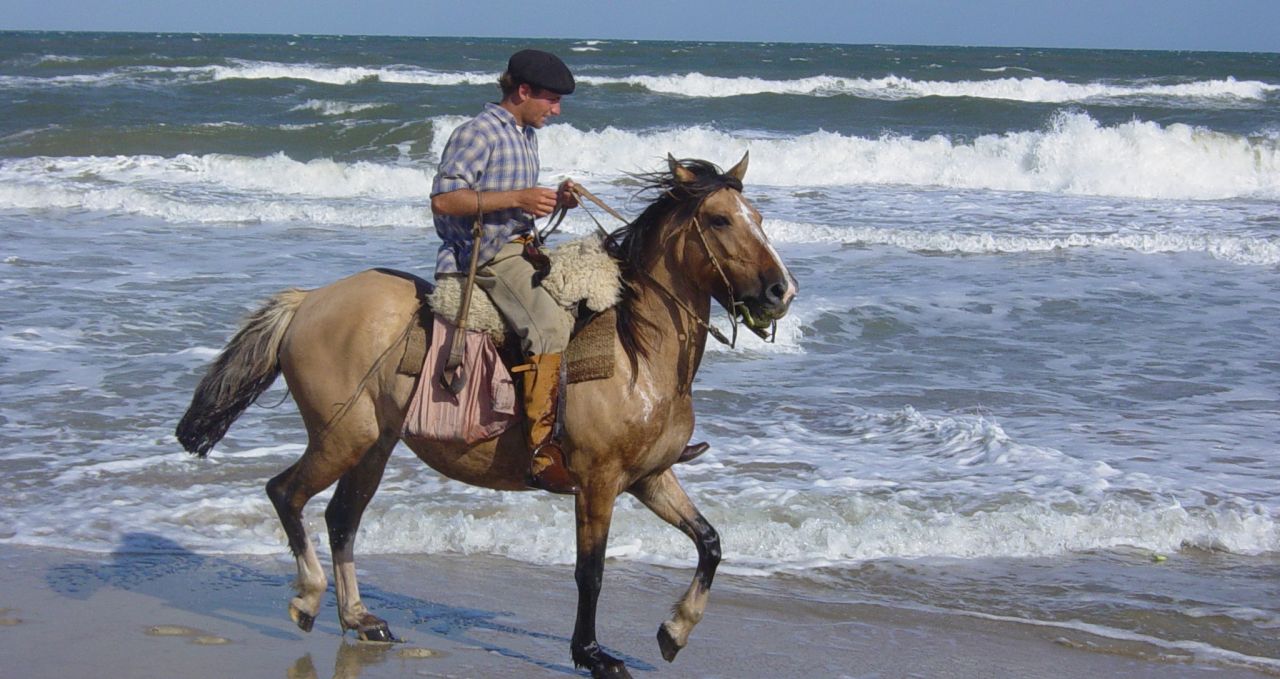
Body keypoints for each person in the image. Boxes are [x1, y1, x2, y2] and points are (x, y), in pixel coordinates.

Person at [430, 49, 580, 494]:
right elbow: (443, 201)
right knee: (549, 327)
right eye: (550, 100)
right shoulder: (477, 133)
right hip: (488, 255)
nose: (556, 111)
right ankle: (541, 452)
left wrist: (555, 199)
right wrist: (518, 198)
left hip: (522, 247)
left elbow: (517, 197)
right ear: (523, 91)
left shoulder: (525, 133)